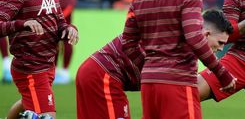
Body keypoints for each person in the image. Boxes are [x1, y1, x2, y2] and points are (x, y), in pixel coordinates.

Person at [123, 0, 236, 119]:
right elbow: (195, 38)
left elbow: (128, 43)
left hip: (150, 85)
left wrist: (151, 68)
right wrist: (221, 73)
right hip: (178, 83)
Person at [75, 9, 232, 119]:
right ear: (206, 33)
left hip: (98, 74)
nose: (220, 48)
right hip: (103, 75)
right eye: (220, 42)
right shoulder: (177, 38)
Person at [1, 0, 79, 119]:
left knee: (27, 103)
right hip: (30, 67)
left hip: (48, 64)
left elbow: (59, 20)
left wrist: (69, 29)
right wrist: (22, 24)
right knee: (47, 116)